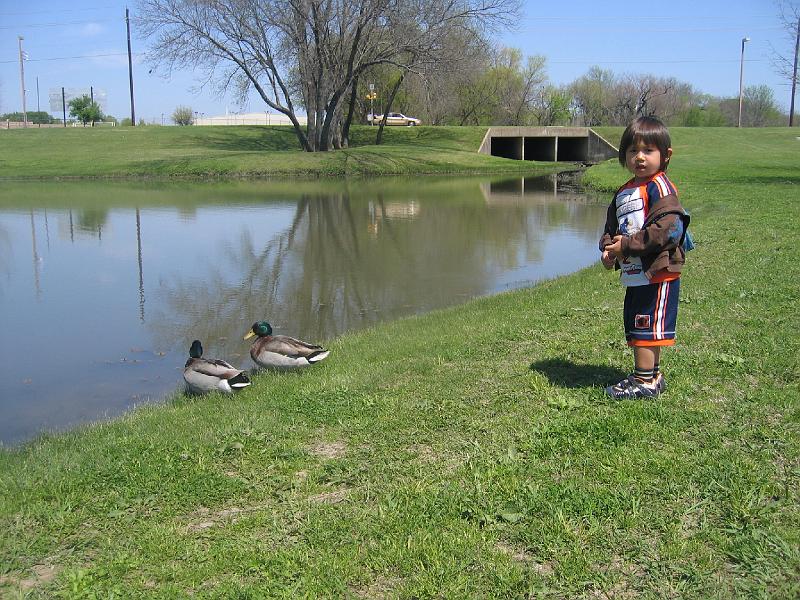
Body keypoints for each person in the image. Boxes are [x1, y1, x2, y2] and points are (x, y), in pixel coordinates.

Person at [599, 116, 690, 399]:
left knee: (646, 323)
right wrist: (608, 250)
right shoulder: (624, 191)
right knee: (639, 321)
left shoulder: (660, 188)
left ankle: (645, 381)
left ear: (665, 155)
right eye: (632, 151)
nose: (639, 157)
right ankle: (650, 375)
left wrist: (625, 246)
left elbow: (668, 230)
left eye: (648, 151)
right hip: (635, 273)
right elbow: (611, 228)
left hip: (658, 271)